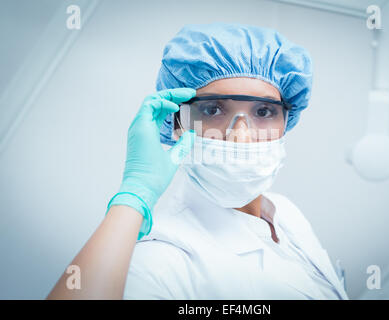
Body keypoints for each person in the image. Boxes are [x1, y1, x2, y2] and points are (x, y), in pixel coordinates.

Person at [47, 23, 348, 300]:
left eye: (263, 112)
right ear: (176, 122)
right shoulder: (162, 260)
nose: (241, 137)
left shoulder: (286, 213)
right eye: (214, 110)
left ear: (287, 120)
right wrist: (134, 195)